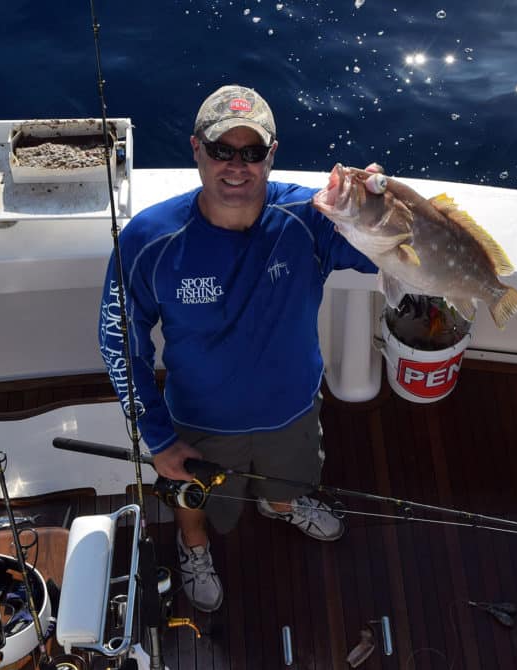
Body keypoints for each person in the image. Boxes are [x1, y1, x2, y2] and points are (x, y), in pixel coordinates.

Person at [98, 84, 377, 612]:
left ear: (271, 156)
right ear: (196, 148)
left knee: (291, 476)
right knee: (197, 498)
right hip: (200, 421)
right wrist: (157, 437)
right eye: (222, 149)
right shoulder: (148, 238)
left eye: (252, 153)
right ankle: (194, 545)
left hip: (292, 409)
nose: (236, 166)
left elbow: (386, 255)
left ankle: (282, 504)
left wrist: (382, 205)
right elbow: (117, 337)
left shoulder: (311, 216)